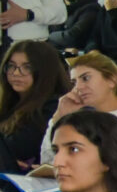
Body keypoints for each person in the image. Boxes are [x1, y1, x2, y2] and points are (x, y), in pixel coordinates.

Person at [33, 53, 117, 171]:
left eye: (85, 78)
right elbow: (47, 161)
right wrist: (59, 118)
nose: (78, 88)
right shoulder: (83, 118)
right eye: (74, 82)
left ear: (112, 80)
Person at [0, 41, 71, 171]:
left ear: (45, 71)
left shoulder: (54, 105)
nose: (16, 73)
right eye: (11, 66)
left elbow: (20, 148)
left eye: (27, 67)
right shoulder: (9, 101)